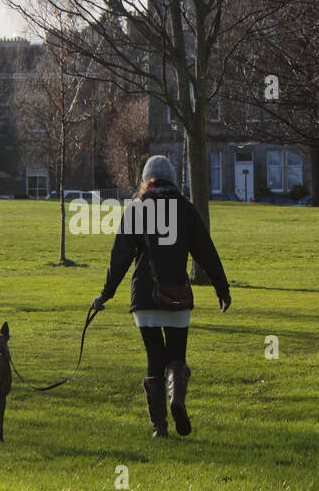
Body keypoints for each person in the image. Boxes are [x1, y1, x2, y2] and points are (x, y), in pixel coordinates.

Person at [92, 155, 231, 438]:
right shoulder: (186, 210)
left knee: (154, 357)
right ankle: (176, 400)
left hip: (145, 298)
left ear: (146, 180)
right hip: (177, 296)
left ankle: (159, 427)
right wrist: (222, 287)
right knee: (176, 355)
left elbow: (119, 257)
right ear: (173, 179)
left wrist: (105, 294)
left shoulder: (136, 209)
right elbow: (206, 252)